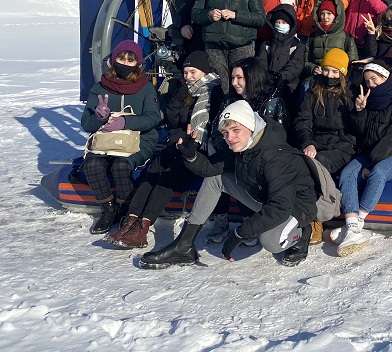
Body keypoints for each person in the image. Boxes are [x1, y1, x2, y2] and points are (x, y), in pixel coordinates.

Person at [140, 100, 318, 269]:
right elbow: (211, 168)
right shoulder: (242, 146)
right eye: (225, 133)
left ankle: (302, 233)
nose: (230, 137)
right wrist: (190, 156)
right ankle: (184, 246)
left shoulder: (277, 158)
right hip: (266, 198)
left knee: (271, 241)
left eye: (235, 130)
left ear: (250, 126)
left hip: (296, 208)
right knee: (216, 178)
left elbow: (279, 208)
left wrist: (239, 233)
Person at [105, 51, 224, 248]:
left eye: (193, 72)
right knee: (152, 170)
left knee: (167, 178)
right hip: (179, 141)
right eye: (185, 72)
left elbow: (213, 127)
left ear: (204, 71)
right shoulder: (185, 90)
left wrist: (189, 139)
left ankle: (142, 227)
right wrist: (178, 99)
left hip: (199, 149)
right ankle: (130, 220)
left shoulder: (214, 92)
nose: (188, 77)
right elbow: (172, 119)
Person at [204, 56, 288, 245]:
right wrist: (228, 144)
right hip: (231, 150)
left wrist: (246, 147)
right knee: (218, 163)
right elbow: (218, 127)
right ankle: (220, 219)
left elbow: (279, 134)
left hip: (260, 155)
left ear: (252, 77)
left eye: (239, 78)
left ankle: (248, 219)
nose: (234, 83)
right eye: (233, 78)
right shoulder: (230, 100)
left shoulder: (273, 101)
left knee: (244, 166)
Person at [331, 58, 392, 256]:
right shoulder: (369, 100)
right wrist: (359, 112)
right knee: (348, 173)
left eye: (374, 79)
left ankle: (358, 222)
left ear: (385, 77)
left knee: (378, 172)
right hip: (370, 152)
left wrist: (373, 161)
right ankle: (351, 226)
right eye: (367, 82)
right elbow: (360, 133)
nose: (370, 85)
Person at [80, 40, 160, 234]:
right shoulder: (100, 88)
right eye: (121, 58)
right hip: (106, 140)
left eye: (130, 60)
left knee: (121, 165)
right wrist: (99, 117)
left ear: (138, 64)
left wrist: (125, 122)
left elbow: (153, 118)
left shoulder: (146, 88)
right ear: (113, 60)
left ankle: (125, 207)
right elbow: (86, 124)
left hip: (140, 139)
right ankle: (108, 208)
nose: (125, 63)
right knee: (92, 165)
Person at [293, 47, 356, 244]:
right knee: (299, 163)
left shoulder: (350, 93)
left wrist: (359, 110)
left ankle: (316, 218)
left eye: (335, 72)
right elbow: (303, 120)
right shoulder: (314, 88)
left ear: (342, 73)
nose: (329, 75)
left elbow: (355, 128)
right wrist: (308, 142)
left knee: (319, 163)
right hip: (317, 142)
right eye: (326, 70)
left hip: (342, 145)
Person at [191, 0, 266, 95]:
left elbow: (260, 18)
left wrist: (236, 15)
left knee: (242, 86)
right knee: (218, 88)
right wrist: (209, 14)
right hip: (214, 47)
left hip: (242, 46)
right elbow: (195, 14)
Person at [255, 4, 305, 102]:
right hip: (266, 84)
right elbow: (261, 62)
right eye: (277, 22)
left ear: (290, 25)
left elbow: (295, 65)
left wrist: (280, 78)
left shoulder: (297, 45)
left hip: (289, 86)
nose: (280, 24)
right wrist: (266, 78)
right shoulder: (266, 43)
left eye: (283, 22)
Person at [303, 0, 358, 80]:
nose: (325, 17)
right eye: (322, 13)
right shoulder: (312, 37)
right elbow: (305, 61)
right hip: (316, 78)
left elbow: (353, 63)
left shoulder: (347, 37)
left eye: (329, 13)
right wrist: (313, 68)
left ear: (336, 15)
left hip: (337, 79)